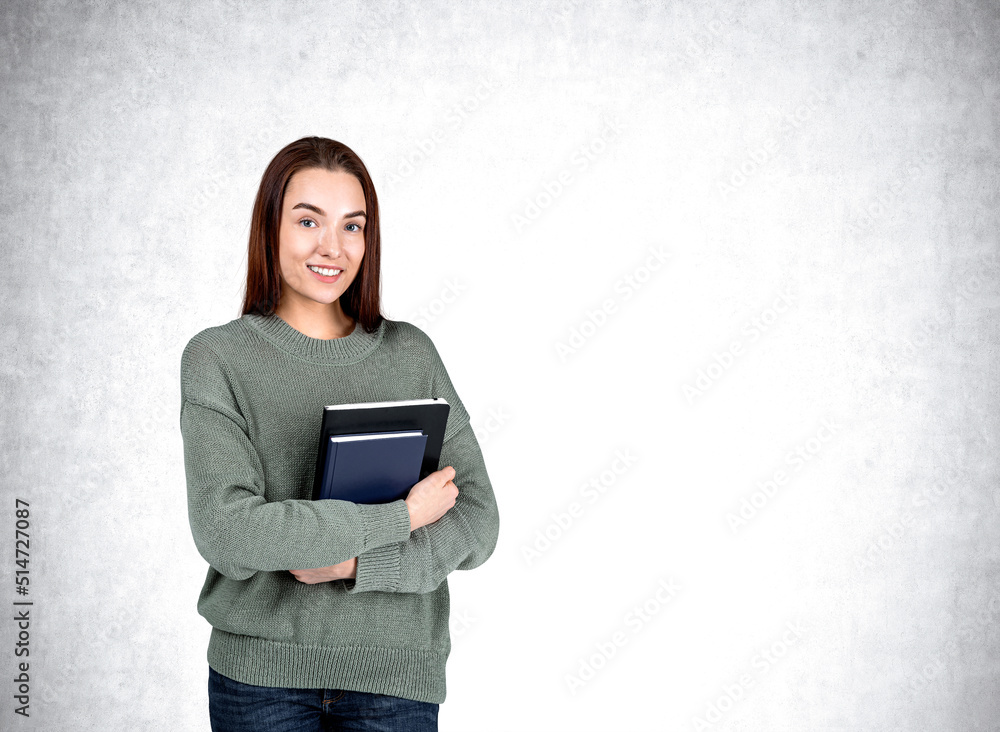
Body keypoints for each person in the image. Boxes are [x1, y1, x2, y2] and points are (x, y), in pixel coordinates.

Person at [178, 136, 500, 731]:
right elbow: (227, 532)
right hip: (260, 684)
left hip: (395, 681)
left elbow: (477, 519)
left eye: (352, 227)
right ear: (268, 227)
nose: (332, 247)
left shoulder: (411, 354)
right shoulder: (218, 358)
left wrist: (353, 563)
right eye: (308, 221)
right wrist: (399, 518)